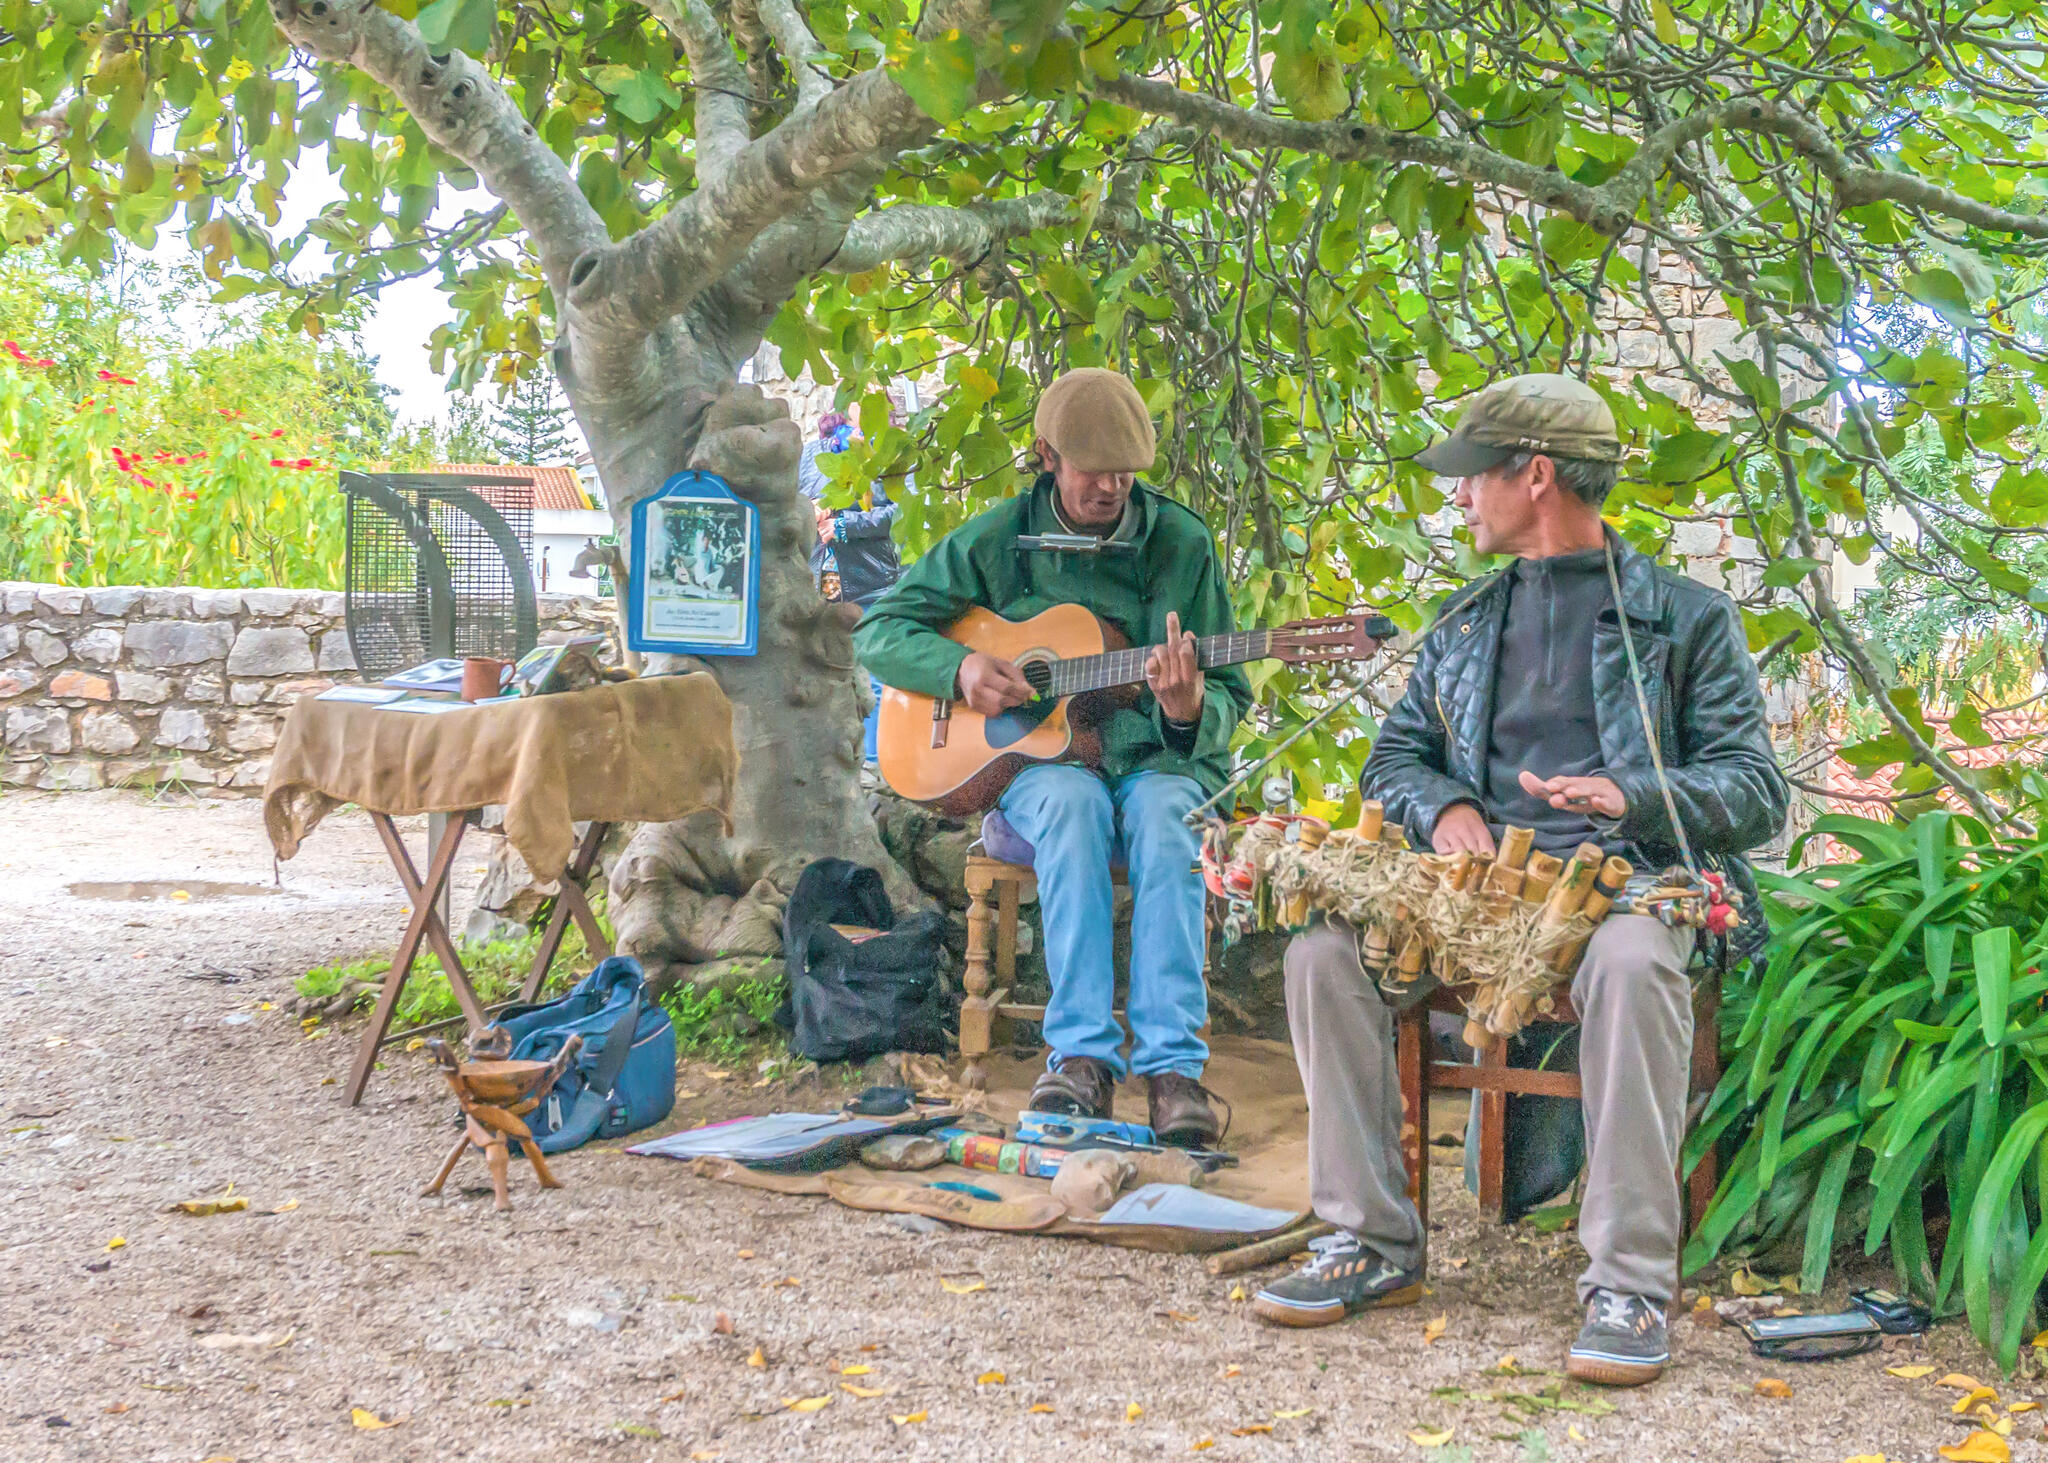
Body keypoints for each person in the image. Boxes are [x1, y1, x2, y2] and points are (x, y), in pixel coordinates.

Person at [1255, 374, 1787, 1388]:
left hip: (1624, 888)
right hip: (1473, 897)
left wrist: (1624, 794)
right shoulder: (1459, 621)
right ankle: (1368, 1239)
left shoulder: (1686, 618)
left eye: (1470, 476)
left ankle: (1626, 1282)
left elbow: (1755, 790)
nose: (1458, 498)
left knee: (1633, 963)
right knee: (1322, 948)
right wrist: (1441, 811)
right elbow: (1393, 762)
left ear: (1533, 474)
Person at [854, 367, 1252, 1144]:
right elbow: (880, 630)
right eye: (1092, 469)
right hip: (1041, 766)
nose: (1110, 486)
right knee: (1072, 805)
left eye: (1125, 472)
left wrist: (1190, 709)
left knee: (1170, 814)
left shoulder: (1182, 541)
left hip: (1156, 763)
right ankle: (1080, 1059)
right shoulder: (999, 536)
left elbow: (1230, 692)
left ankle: (1173, 1069)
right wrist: (960, 669)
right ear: (1045, 454)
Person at [800, 408, 904, 765]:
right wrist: (810, 510)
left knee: (875, 678)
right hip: (820, 587)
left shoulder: (887, 456)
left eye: (881, 400)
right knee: (823, 679)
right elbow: (791, 505)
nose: (875, 405)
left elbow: (900, 512)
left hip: (872, 582)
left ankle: (874, 766)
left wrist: (847, 525)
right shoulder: (812, 453)